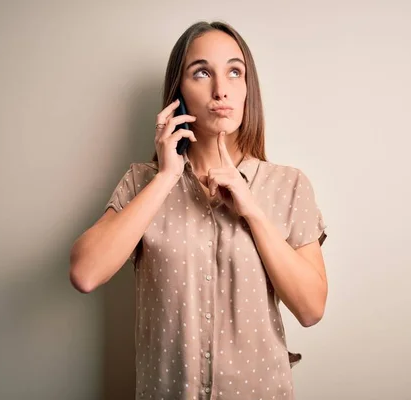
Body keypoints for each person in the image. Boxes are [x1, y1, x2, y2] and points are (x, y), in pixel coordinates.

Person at [69, 20, 328, 400]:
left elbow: (310, 309)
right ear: (179, 94)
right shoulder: (142, 182)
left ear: (247, 90)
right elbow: (85, 273)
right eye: (202, 72)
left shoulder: (289, 186)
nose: (221, 89)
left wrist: (252, 212)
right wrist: (166, 177)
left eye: (234, 72)